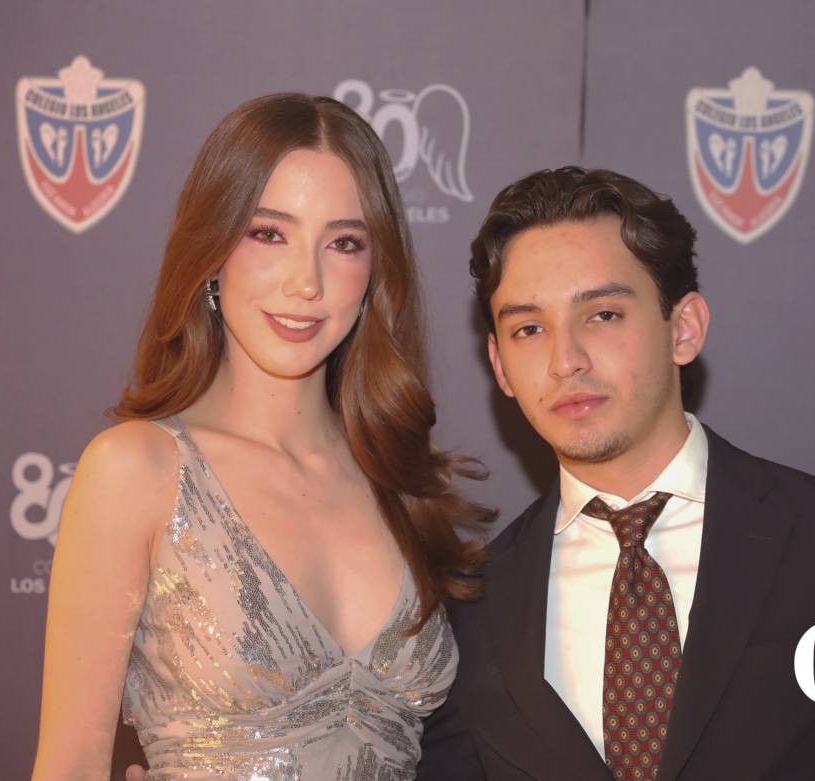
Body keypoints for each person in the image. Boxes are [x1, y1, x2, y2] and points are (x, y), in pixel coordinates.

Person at [417, 166, 815, 780]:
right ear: (500, 365)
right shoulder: (474, 607)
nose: (565, 360)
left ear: (683, 328)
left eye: (603, 314)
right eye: (529, 329)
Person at [31, 93, 492, 781]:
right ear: (212, 250)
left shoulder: (401, 477)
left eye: (343, 243)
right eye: (269, 234)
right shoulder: (137, 470)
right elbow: (71, 762)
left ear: (375, 272)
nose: (306, 282)